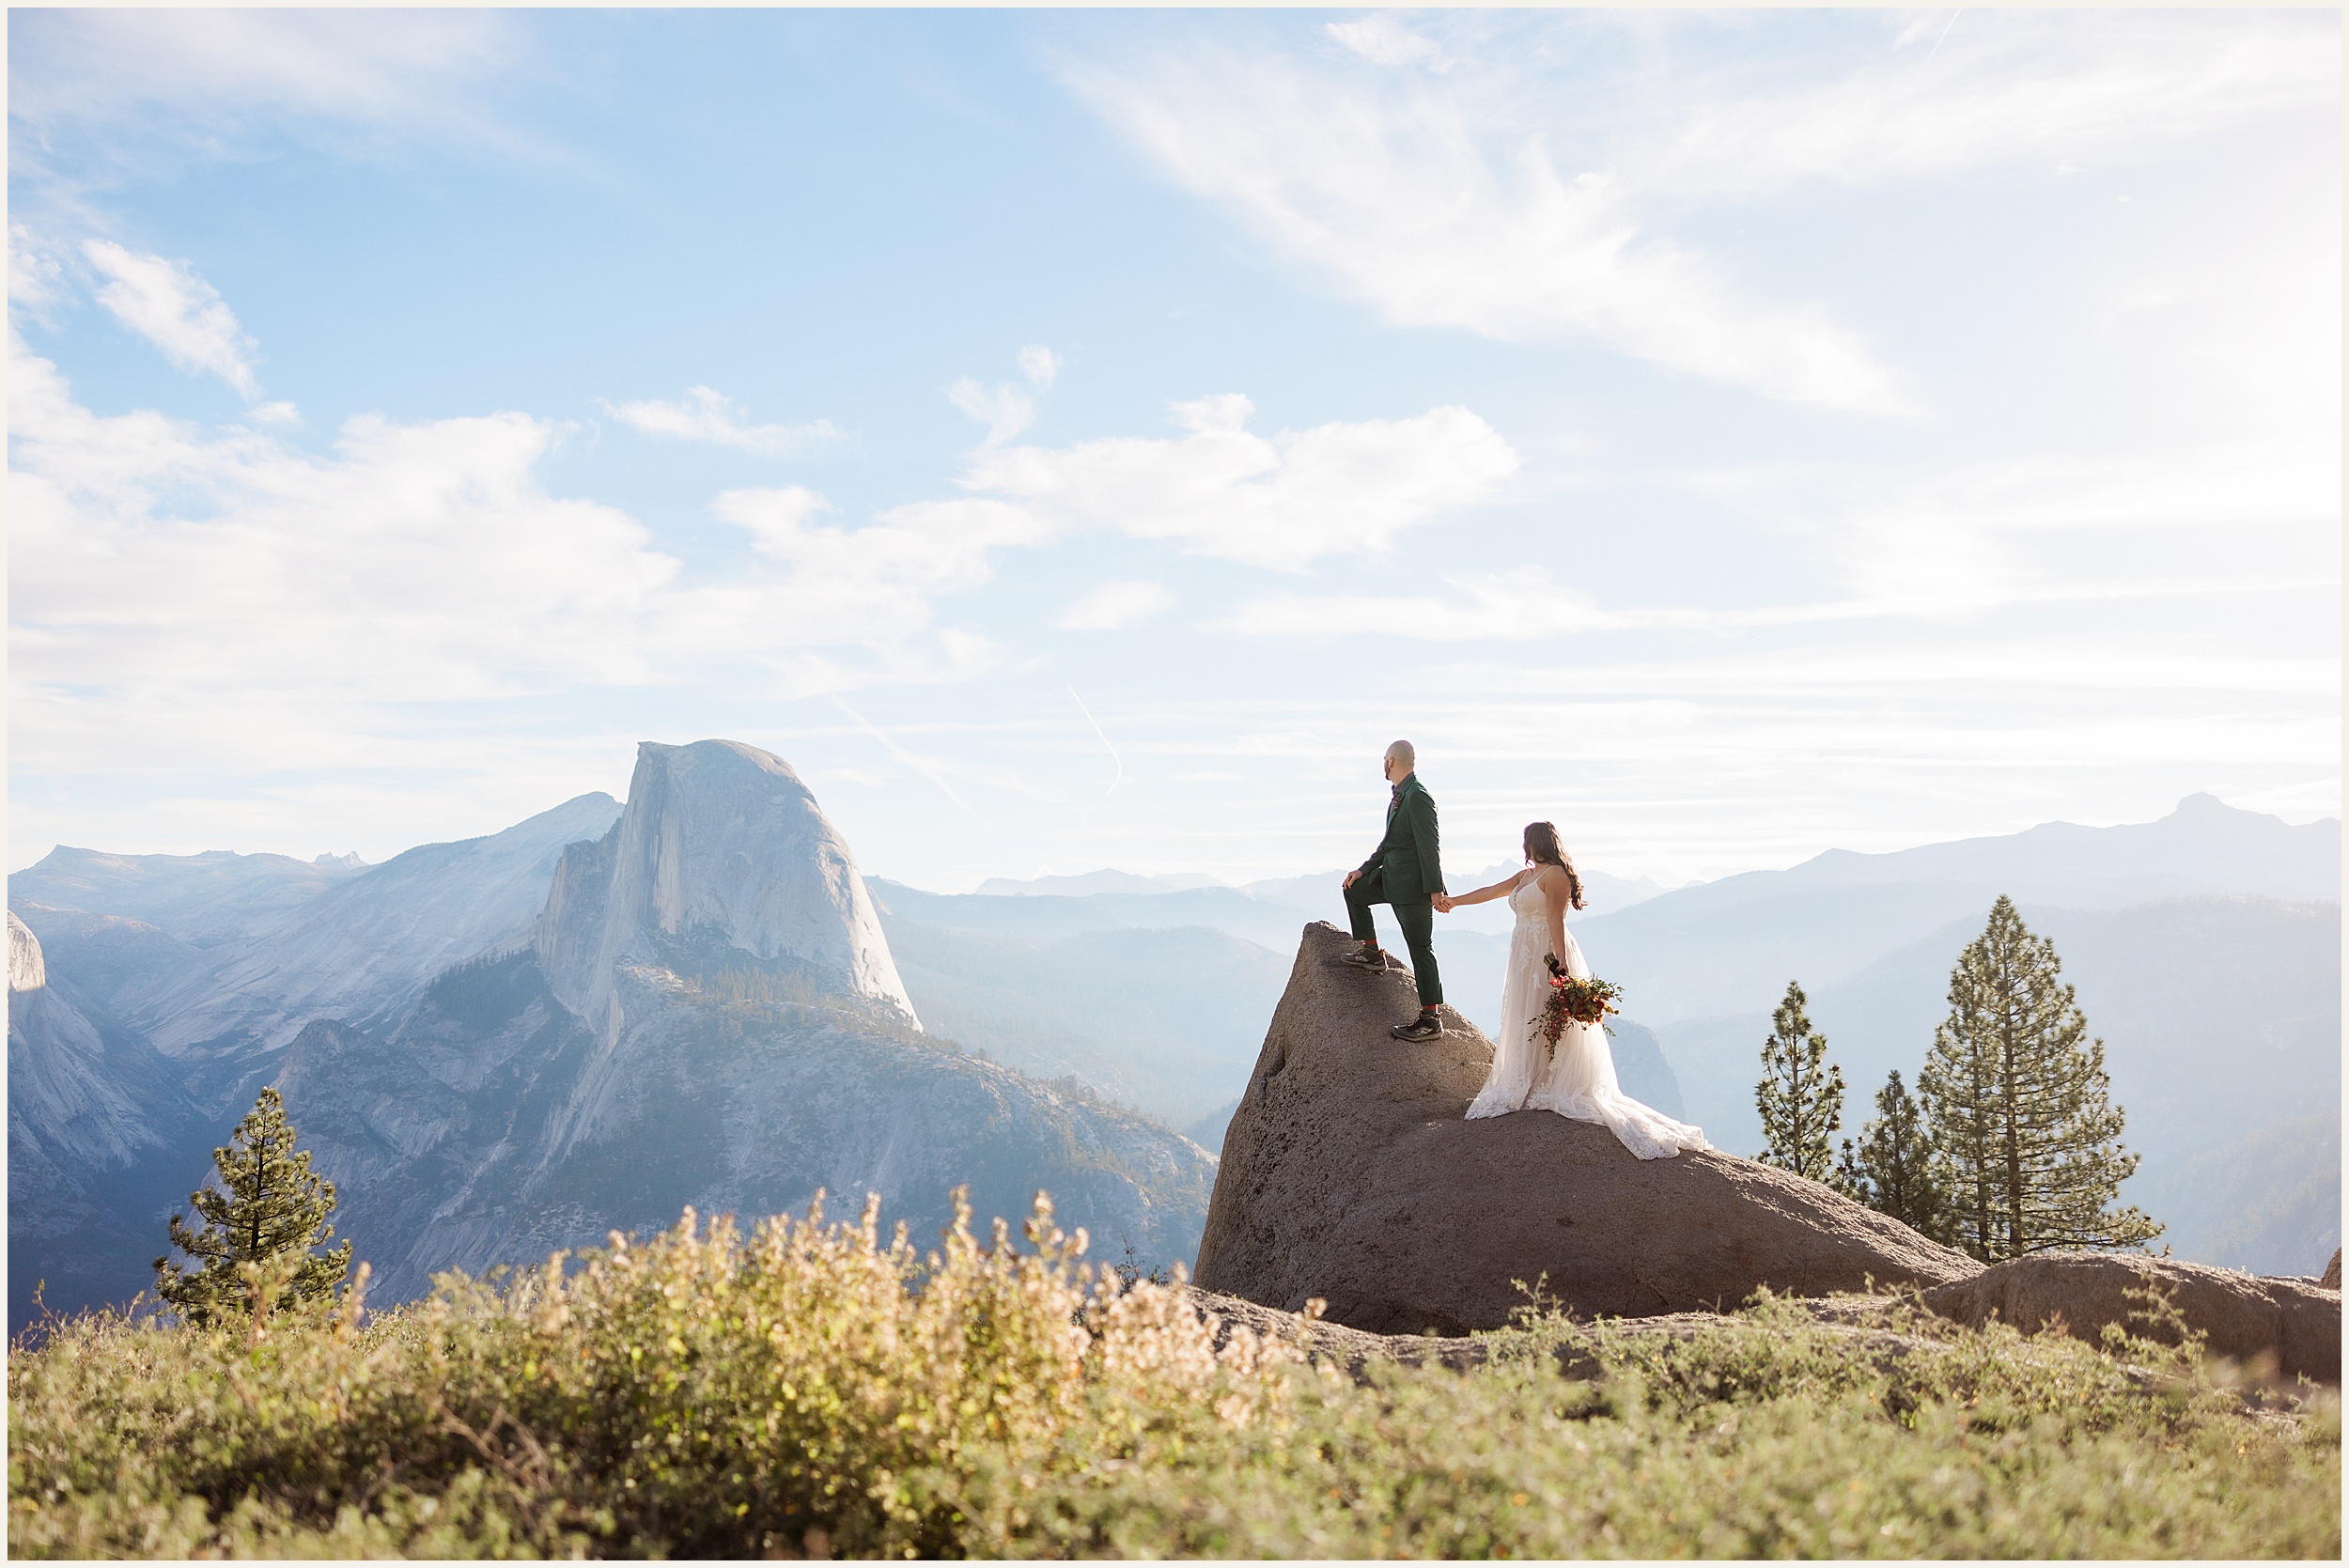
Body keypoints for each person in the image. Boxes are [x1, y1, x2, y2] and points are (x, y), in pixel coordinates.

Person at [1437, 821, 1708, 1159]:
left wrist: (1560, 965)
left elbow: (1556, 921)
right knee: (1527, 1013)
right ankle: (1527, 1077)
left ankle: (1548, 1080)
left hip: (1546, 952)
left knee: (1545, 1012)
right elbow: (1491, 891)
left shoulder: (1556, 876)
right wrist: (1454, 902)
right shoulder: (1527, 877)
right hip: (1523, 952)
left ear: (1534, 842)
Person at [1340, 739, 1449, 1042]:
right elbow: (1389, 844)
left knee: (1420, 949)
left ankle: (1431, 1019)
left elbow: (1430, 847)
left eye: (1383, 759)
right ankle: (1373, 953)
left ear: (1390, 762)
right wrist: (1363, 869)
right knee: (1354, 891)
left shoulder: (1418, 797)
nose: (1383, 764)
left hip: (1414, 889)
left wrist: (1435, 890)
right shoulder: (1399, 797)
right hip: (1389, 879)